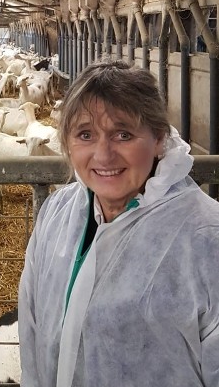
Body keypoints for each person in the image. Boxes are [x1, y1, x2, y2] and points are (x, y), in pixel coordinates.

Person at [18, 60, 219, 387]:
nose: (103, 155)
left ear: (158, 139)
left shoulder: (207, 238)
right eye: (85, 134)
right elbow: (31, 330)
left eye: (123, 134)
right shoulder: (58, 214)